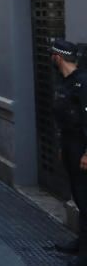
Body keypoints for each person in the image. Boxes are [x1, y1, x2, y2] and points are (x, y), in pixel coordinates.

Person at [48, 39, 87, 261]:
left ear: (58, 57)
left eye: (53, 55)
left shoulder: (83, 83)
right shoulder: (65, 82)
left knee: (85, 196)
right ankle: (81, 242)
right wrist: (63, 145)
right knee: (80, 197)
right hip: (71, 145)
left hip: (82, 147)